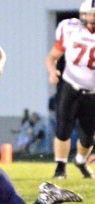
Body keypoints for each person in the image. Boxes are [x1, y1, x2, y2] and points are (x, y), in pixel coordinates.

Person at [46, 0, 95, 179]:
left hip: (92, 93)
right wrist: (52, 71)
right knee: (63, 128)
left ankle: (81, 160)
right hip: (70, 85)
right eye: (89, 14)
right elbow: (52, 57)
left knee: (89, 136)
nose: (91, 19)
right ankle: (60, 167)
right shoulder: (70, 31)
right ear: (82, 15)